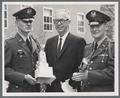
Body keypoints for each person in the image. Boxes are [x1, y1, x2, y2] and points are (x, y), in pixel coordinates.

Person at [72, 10, 114, 92]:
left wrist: (89, 75)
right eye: (92, 26)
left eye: (98, 26)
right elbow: (84, 68)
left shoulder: (113, 47)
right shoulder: (87, 48)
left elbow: (113, 73)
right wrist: (78, 76)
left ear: (106, 26)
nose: (94, 29)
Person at [45, 9, 86, 92]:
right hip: (51, 89)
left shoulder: (78, 41)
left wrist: (71, 84)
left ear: (69, 22)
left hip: (69, 89)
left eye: (62, 20)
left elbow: (81, 68)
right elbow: (47, 64)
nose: (59, 24)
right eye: (56, 21)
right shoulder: (49, 42)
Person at [5, 7, 41, 92]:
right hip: (18, 90)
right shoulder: (9, 43)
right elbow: (3, 69)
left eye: (31, 21)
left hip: (35, 90)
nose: (28, 24)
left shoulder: (35, 42)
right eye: (25, 21)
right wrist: (23, 77)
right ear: (17, 23)